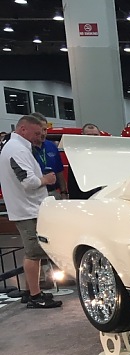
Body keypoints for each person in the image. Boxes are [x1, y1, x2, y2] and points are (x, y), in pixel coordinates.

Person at [0, 114, 62, 308]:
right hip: (27, 210)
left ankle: (30, 291)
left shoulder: (19, 147)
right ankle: (35, 296)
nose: (40, 136)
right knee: (33, 253)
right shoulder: (16, 150)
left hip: (30, 207)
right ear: (23, 129)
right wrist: (47, 180)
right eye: (37, 132)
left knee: (33, 252)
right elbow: (28, 182)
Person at [30, 113, 67, 200]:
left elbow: (59, 172)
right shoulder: (25, 148)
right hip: (34, 194)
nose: (43, 133)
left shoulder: (51, 146)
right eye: (40, 130)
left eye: (45, 130)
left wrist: (64, 192)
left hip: (53, 192)